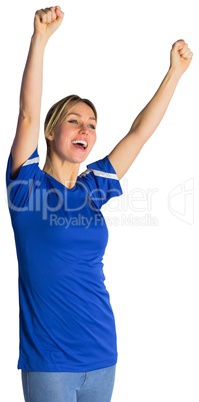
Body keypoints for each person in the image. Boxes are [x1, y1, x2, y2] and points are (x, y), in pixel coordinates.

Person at [6, 5, 193, 402]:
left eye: (92, 124)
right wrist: (39, 39)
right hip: (50, 361)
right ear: (53, 131)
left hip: (102, 354)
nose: (86, 130)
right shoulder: (27, 188)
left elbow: (139, 134)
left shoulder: (94, 190)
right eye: (74, 120)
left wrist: (174, 74)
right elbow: (26, 115)